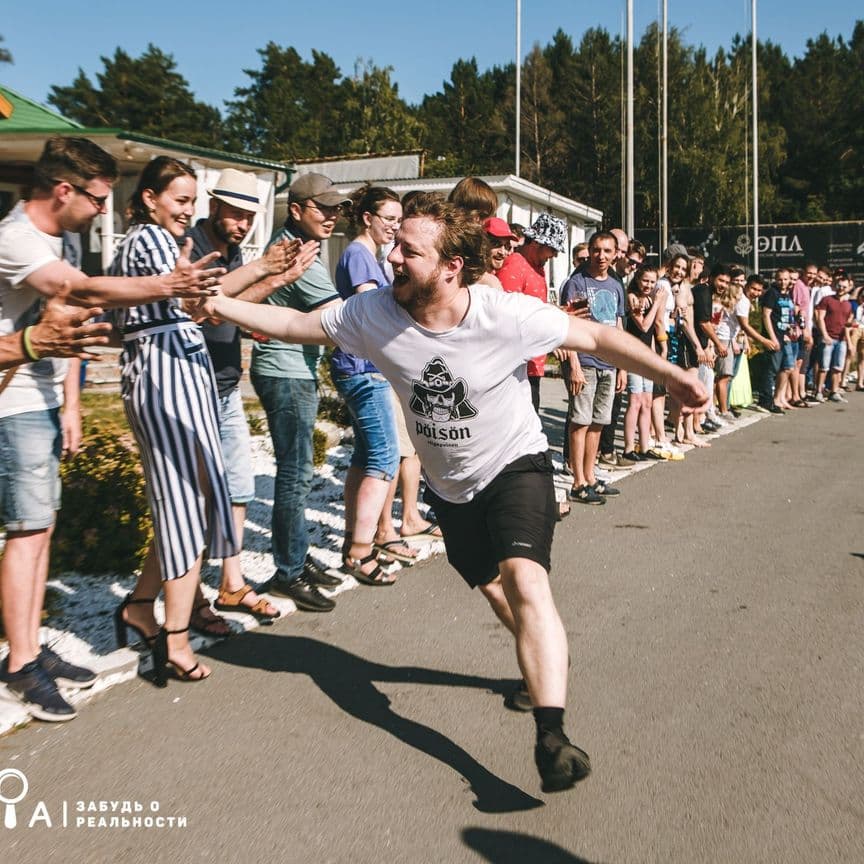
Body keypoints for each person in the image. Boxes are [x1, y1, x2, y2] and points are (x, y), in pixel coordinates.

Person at [196, 193, 706, 795]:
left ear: (450, 266)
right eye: (393, 244)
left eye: (407, 250)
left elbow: (594, 337)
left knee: (524, 577)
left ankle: (552, 735)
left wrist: (672, 375)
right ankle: (536, 662)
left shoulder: (505, 314)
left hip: (515, 464)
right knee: (491, 584)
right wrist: (219, 302)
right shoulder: (374, 314)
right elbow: (295, 324)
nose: (391, 257)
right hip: (450, 488)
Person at [0, 136, 221, 722]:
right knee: (26, 530)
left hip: (40, 393)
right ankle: (22, 663)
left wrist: (70, 403)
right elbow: (78, 291)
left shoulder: (62, 235)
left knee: (40, 527)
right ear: (64, 190)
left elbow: (68, 328)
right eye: (98, 199)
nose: (104, 209)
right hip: (10, 399)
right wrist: (164, 286)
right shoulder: (18, 238)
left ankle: (30, 647)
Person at [110, 156, 298, 687]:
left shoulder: (163, 244)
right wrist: (262, 269)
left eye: (191, 202)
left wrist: (260, 272)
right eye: (180, 201)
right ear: (150, 198)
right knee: (183, 508)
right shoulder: (145, 242)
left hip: (182, 380)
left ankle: (142, 606)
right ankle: (173, 638)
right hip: (166, 383)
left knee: (187, 503)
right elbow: (189, 302)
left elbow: (195, 308)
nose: (186, 211)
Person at [186, 168, 319, 633]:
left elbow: (238, 307)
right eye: (236, 213)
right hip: (192, 384)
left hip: (224, 383)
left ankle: (232, 582)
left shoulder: (234, 251)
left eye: (249, 216)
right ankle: (189, 599)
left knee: (240, 485)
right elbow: (200, 308)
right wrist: (267, 269)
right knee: (200, 494)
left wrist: (281, 277)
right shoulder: (195, 250)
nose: (242, 224)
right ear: (214, 205)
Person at [251, 173, 349, 612]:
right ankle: (288, 573)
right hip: (285, 373)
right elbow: (336, 316)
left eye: (334, 209)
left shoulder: (301, 245)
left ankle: (297, 557)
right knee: (295, 474)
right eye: (321, 208)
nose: (331, 217)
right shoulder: (297, 252)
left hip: (293, 369)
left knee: (300, 472)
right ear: (296, 210)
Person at [331, 185, 412, 581]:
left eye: (399, 221)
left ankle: (353, 539)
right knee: (383, 458)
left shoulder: (370, 255)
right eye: (390, 220)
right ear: (368, 218)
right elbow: (372, 306)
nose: (395, 228)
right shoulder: (359, 255)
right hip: (363, 369)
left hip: (363, 367)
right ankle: (362, 551)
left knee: (364, 457)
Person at [559, 230, 626, 504]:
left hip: (608, 363)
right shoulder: (576, 282)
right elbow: (567, 326)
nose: (601, 256)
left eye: (607, 251)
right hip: (584, 362)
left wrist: (623, 365)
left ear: (615, 254)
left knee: (599, 422)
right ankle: (577, 482)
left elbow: (618, 325)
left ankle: (590, 476)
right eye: (596, 250)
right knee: (580, 421)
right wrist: (573, 364)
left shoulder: (615, 284)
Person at [498, 213, 567, 412]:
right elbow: (508, 314)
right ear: (537, 243)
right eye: (552, 250)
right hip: (517, 366)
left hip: (533, 362)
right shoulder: (516, 263)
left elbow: (535, 306)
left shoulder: (536, 266)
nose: (554, 256)